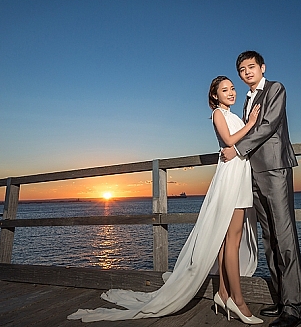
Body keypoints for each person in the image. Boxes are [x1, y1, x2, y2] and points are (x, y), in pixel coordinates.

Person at [68, 76, 262, 323]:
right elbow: (230, 141)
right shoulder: (217, 114)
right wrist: (252, 122)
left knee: (227, 241)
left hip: (240, 174)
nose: (231, 92)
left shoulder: (235, 116)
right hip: (230, 177)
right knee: (231, 240)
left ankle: (223, 294)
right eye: (225, 90)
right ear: (215, 95)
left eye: (232, 88)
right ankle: (238, 301)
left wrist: (247, 125)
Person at [221, 50, 301, 327]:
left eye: (251, 67)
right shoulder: (246, 101)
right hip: (253, 174)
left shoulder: (275, 89)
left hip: (275, 169)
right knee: (270, 238)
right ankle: (282, 300)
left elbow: (269, 125)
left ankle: (295, 307)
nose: (247, 72)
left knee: (284, 235)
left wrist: (237, 149)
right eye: (242, 69)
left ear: (262, 67)